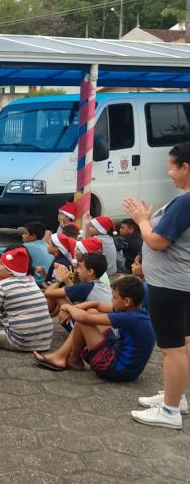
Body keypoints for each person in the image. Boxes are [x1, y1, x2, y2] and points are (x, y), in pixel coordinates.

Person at [123, 141, 190, 429]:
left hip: (171, 284)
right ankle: (178, 397)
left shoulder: (186, 201)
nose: (169, 174)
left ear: (185, 168)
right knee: (184, 342)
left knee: (171, 348)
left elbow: (157, 241)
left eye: (171, 168)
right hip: (181, 282)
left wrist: (142, 221)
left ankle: (170, 411)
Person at [34, 277, 155, 382]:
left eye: (114, 297)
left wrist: (67, 307)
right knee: (92, 312)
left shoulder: (128, 317)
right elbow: (96, 305)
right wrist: (76, 307)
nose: (111, 300)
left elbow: (82, 317)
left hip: (117, 369)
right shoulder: (137, 311)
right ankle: (69, 358)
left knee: (83, 322)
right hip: (126, 365)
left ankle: (71, 359)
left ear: (127, 301)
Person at [0, 247, 54, 352]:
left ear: (9, 271)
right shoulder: (31, 281)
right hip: (44, 341)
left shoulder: (2, 285)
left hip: (20, 341)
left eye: (0, 264)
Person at [44, 252, 111, 323]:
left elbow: (48, 292)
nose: (77, 270)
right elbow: (75, 291)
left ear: (90, 271)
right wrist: (66, 279)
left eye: (80, 267)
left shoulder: (86, 286)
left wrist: (58, 280)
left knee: (56, 295)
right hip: (105, 326)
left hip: (90, 327)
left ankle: (41, 319)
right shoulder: (103, 286)